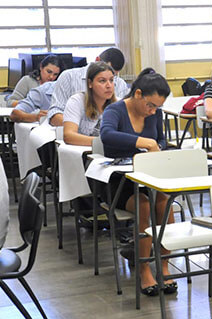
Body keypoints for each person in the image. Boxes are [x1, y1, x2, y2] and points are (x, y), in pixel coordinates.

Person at [100, 68, 175, 296]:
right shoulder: (115, 110)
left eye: (157, 108)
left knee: (164, 200)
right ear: (138, 94)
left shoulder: (154, 114)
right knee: (143, 204)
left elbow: (160, 139)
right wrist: (143, 142)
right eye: (150, 105)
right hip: (118, 184)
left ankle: (164, 265)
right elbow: (106, 135)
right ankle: (143, 268)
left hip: (148, 178)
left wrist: (158, 146)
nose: (153, 111)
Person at [48, 47, 128, 127]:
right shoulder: (69, 77)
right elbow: (54, 114)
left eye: (112, 76)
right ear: (97, 60)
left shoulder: (120, 84)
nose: (109, 84)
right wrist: (77, 126)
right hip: (74, 134)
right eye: (102, 79)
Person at [63, 62, 116, 146]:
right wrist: (102, 142)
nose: (109, 85)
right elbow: (68, 136)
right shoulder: (76, 101)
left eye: (111, 80)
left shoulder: (119, 104)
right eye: (102, 81)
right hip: (84, 155)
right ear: (90, 83)